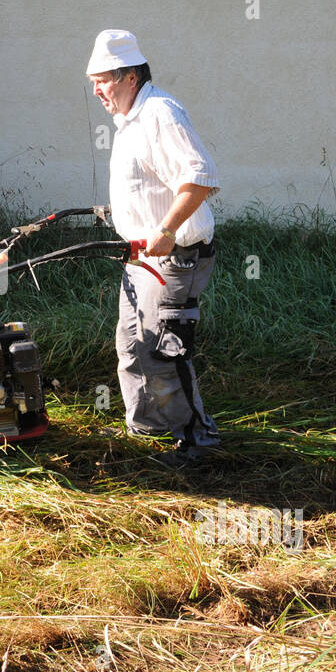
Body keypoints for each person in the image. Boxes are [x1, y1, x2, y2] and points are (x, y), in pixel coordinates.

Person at [86, 29, 222, 463]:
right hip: (142, 258)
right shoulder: (129, 122)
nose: (96, 91)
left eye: (103, 80)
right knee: (130, 344)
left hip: (175, 257)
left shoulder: (161, 113)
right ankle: (149, 428)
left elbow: (200, 177)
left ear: (130, 77)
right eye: (93, 82)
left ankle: (196, 440)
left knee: (162, 350)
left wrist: (164, 229)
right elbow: (149, 182)